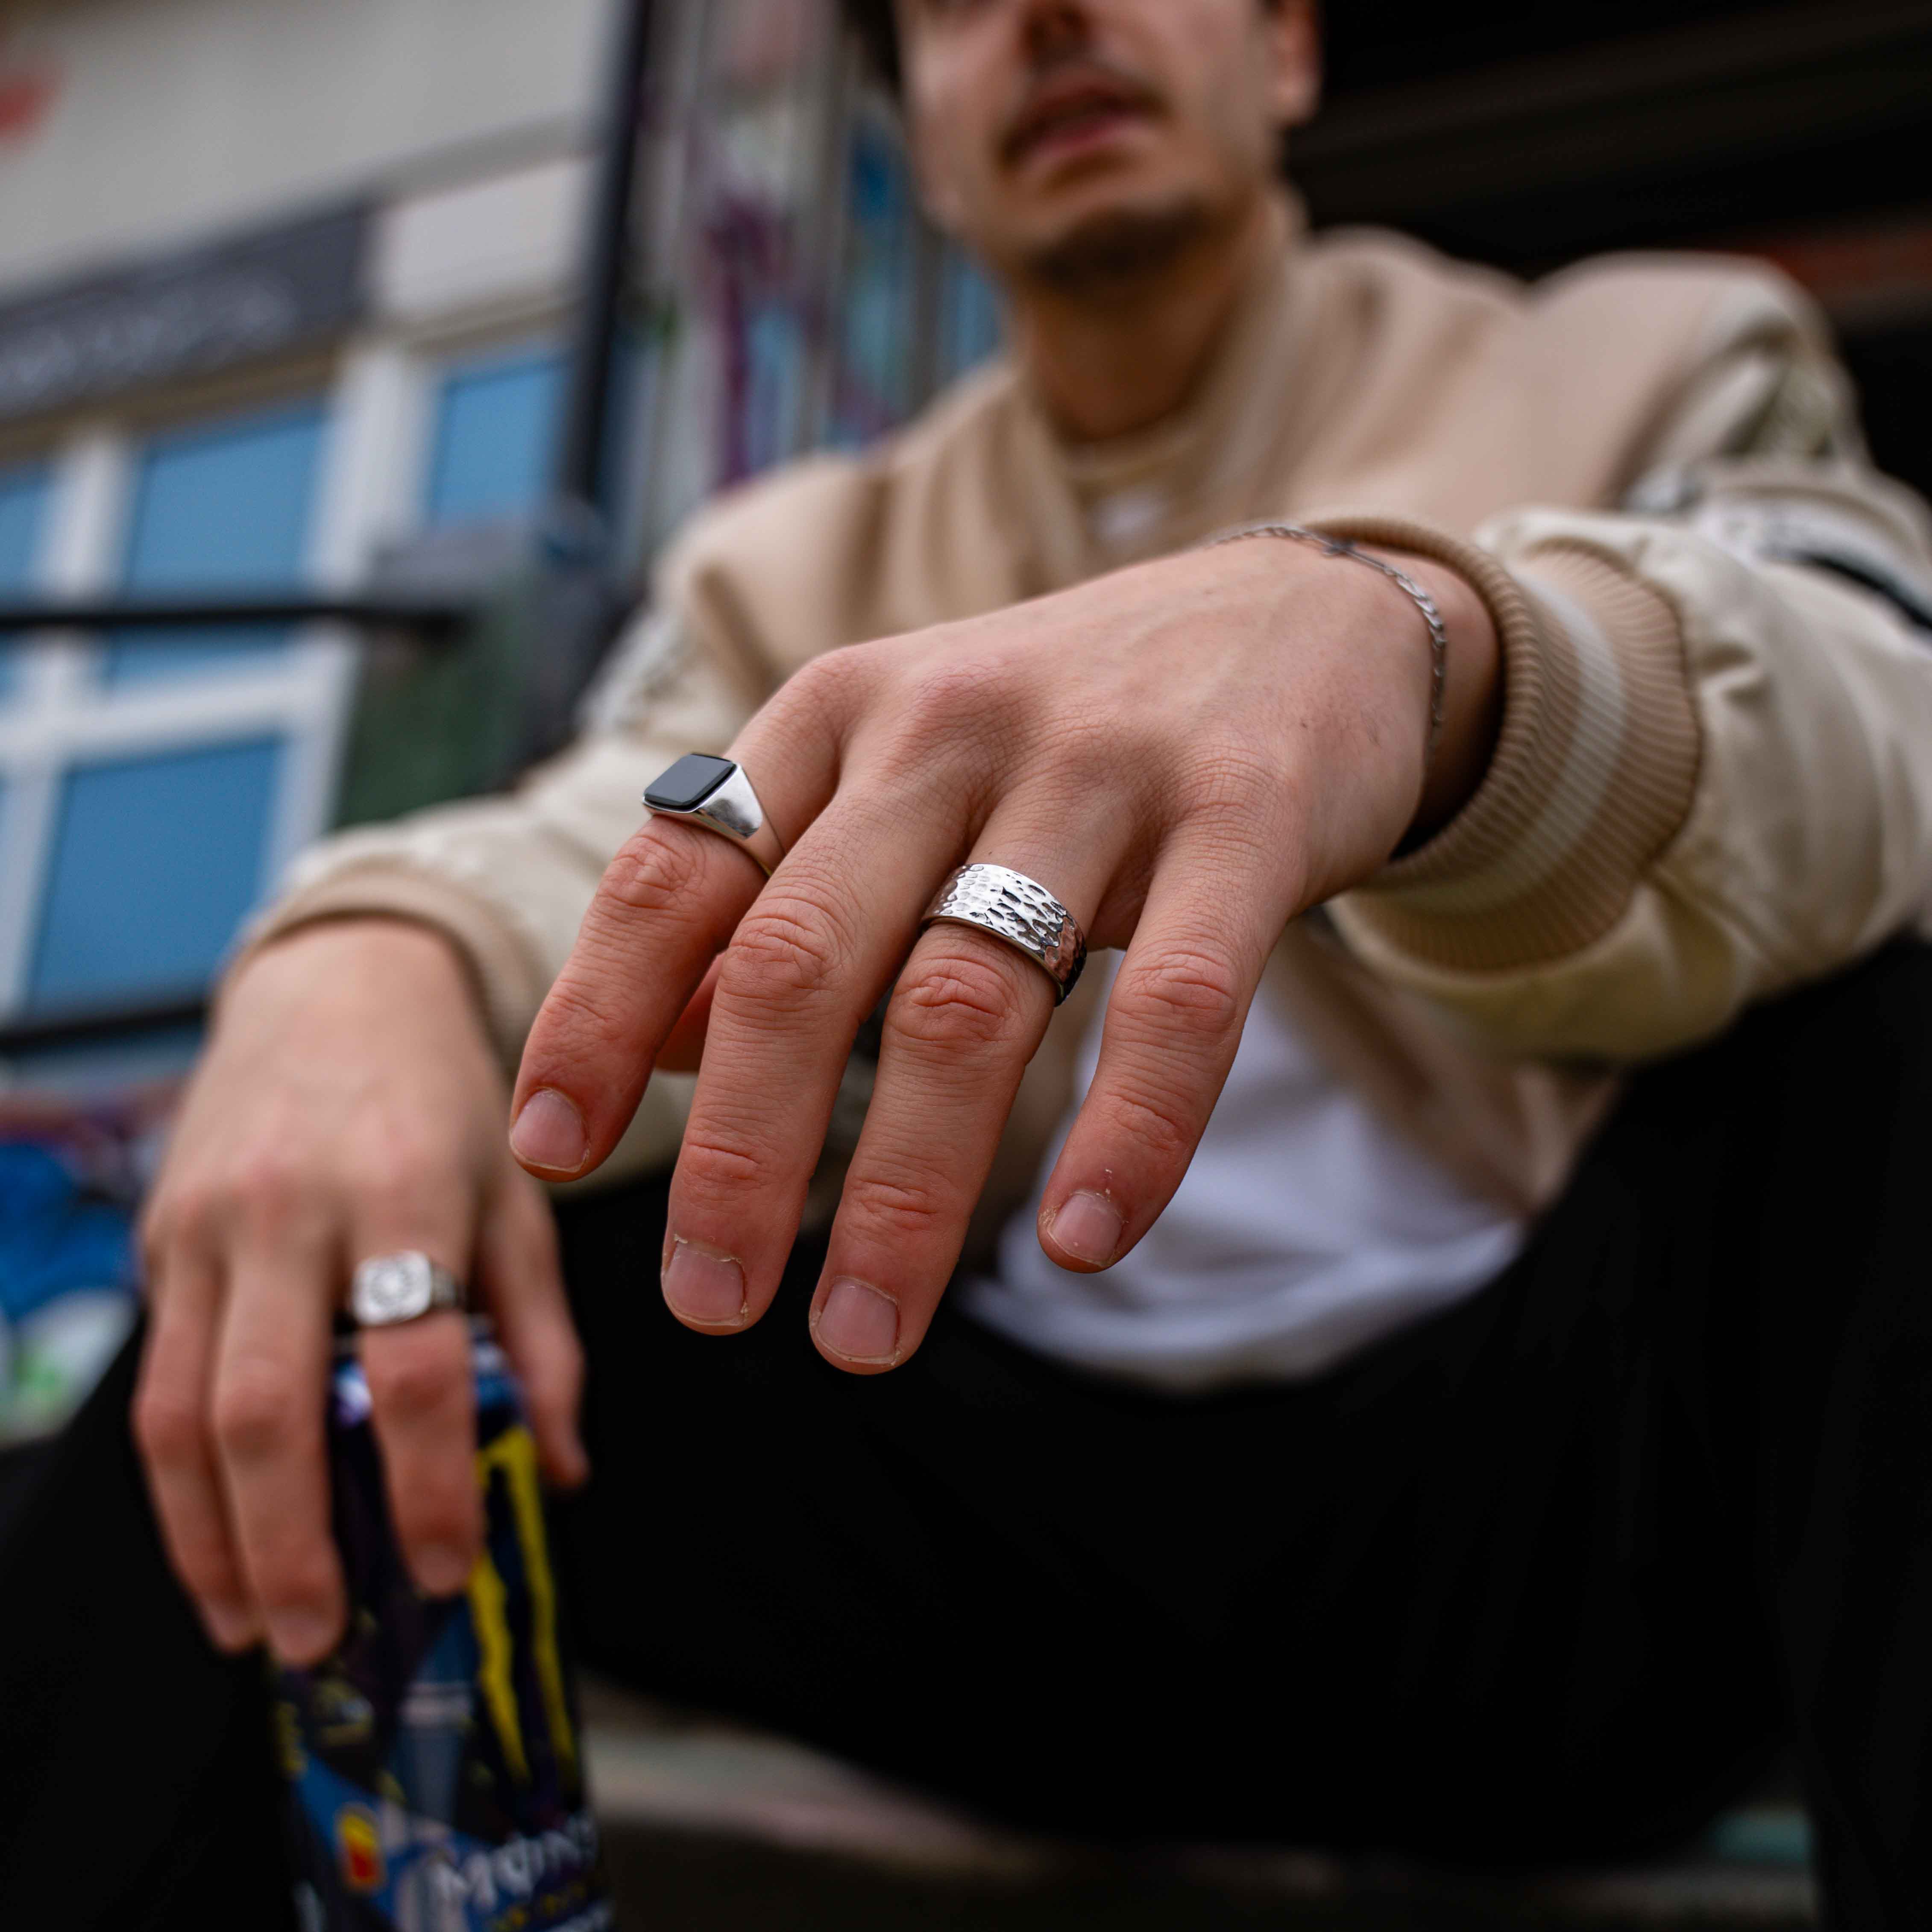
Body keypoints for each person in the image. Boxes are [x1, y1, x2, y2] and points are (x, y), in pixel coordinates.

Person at [7, 0, 1932, 1921]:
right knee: (318, 1258)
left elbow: (1866, 700)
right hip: (987, 1542)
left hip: (1577, 1528)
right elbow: (617, 822)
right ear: (921, 141)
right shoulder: (796, 560)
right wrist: (375, 950)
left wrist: (1443, 655)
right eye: (952, 4)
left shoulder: (1649, 358)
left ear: (1284, 51)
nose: (1054, 18)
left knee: (1886, 1049)